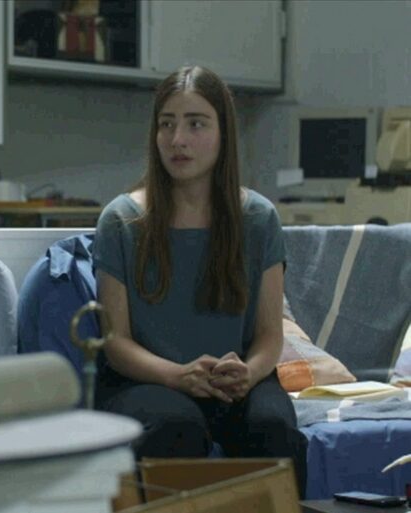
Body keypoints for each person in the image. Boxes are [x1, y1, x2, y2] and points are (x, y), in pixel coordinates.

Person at [92, 66, 308, 496]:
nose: (177, 139)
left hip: (236, 381)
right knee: (176, 427)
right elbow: (115, 343)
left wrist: (248, 372)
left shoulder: (258, 219)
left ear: (223, 133)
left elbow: (269, 335)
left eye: (196, 124)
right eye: (166, 124)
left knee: (274, 428)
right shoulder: (121, 220)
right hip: (146, 381)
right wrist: (177, 375)